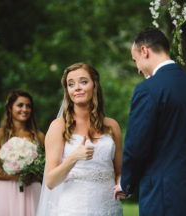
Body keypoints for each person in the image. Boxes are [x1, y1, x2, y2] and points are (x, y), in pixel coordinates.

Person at [114, 27, 186, 215]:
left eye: (136, 61)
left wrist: (126, 182)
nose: (138, 70)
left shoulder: (148, 89)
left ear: (144, 51)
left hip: (162, 196)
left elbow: (136, 146)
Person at [37, 62, 123, 216]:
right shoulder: (59, 127)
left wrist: (121, 185)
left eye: (83, 82)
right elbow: (50, 181)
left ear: (95, 86)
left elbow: (119, 171)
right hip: (74, 208)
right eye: (71, 84)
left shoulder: (112, 126)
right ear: (67, 91)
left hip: (109, 207)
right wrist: (74, 157)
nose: (77, 87)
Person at [0, 89, 45, 216]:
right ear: (9, 108)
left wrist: (33, 175)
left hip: (32, 189)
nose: (24, 109)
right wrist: (15, 176)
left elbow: (45, 167)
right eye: (20, 105)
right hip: (7, 190)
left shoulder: (39, 136)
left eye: (28, 106)